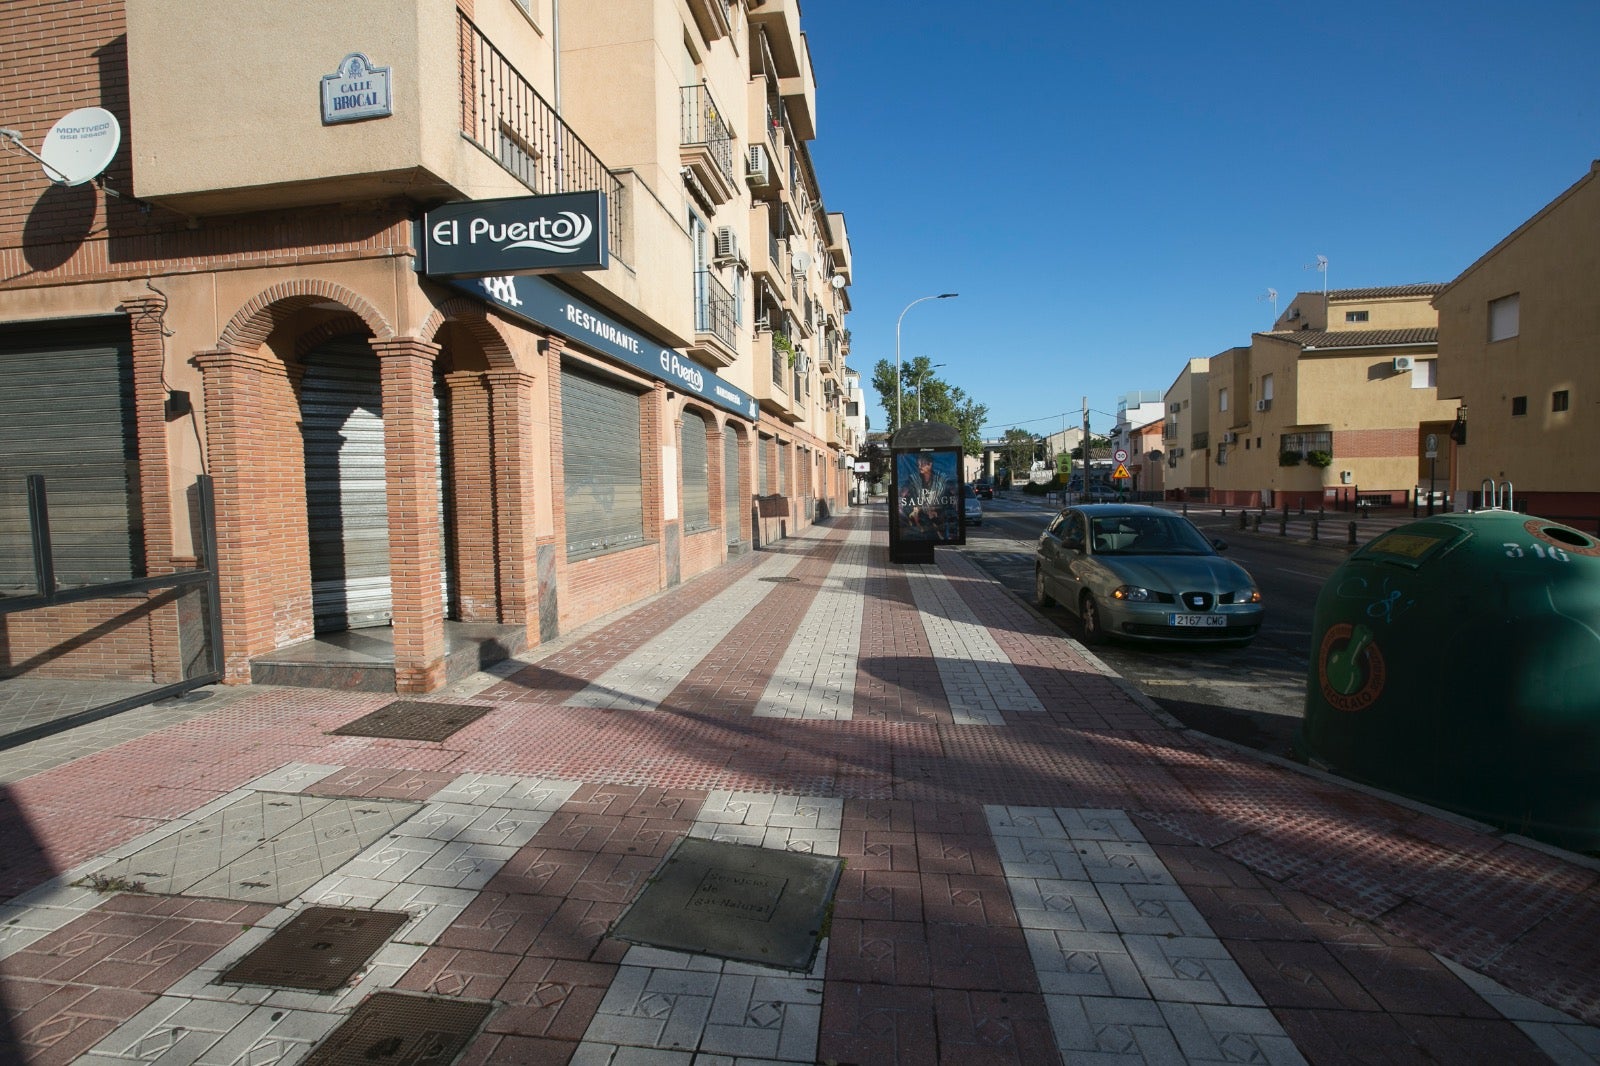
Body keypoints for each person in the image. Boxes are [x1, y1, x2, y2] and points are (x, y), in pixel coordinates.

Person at [899, 452, 953, 539]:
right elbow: (903, 493)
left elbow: (952, 491)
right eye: (918, 464)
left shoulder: (941, 478)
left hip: (937, 517)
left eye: (922, 464)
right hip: (920, 519)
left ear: (930, 465)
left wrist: (937, 513)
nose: (920, 466)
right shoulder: (913, 478)